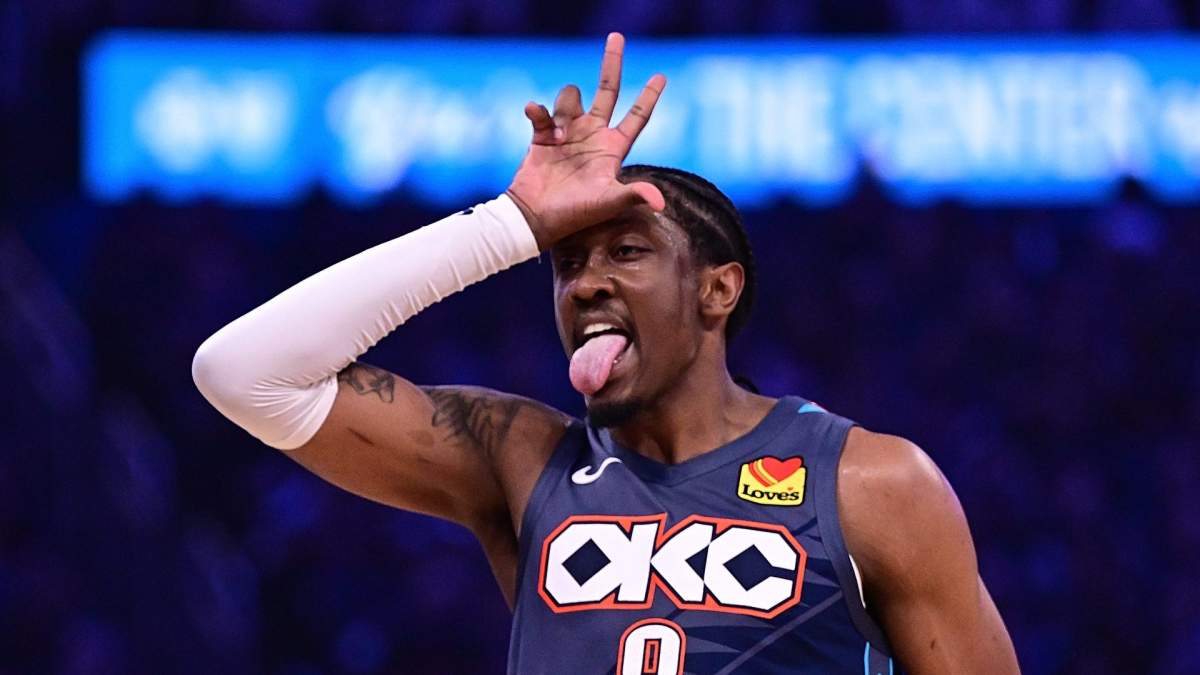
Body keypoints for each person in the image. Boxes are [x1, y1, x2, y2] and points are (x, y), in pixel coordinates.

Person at [192, 32, 1019, 675]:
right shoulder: (522, 459)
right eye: (566, 262)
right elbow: (245, 373)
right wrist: (510, 225)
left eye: (626, 252)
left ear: (717, 290)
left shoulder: (872, 482)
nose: (585, 283)